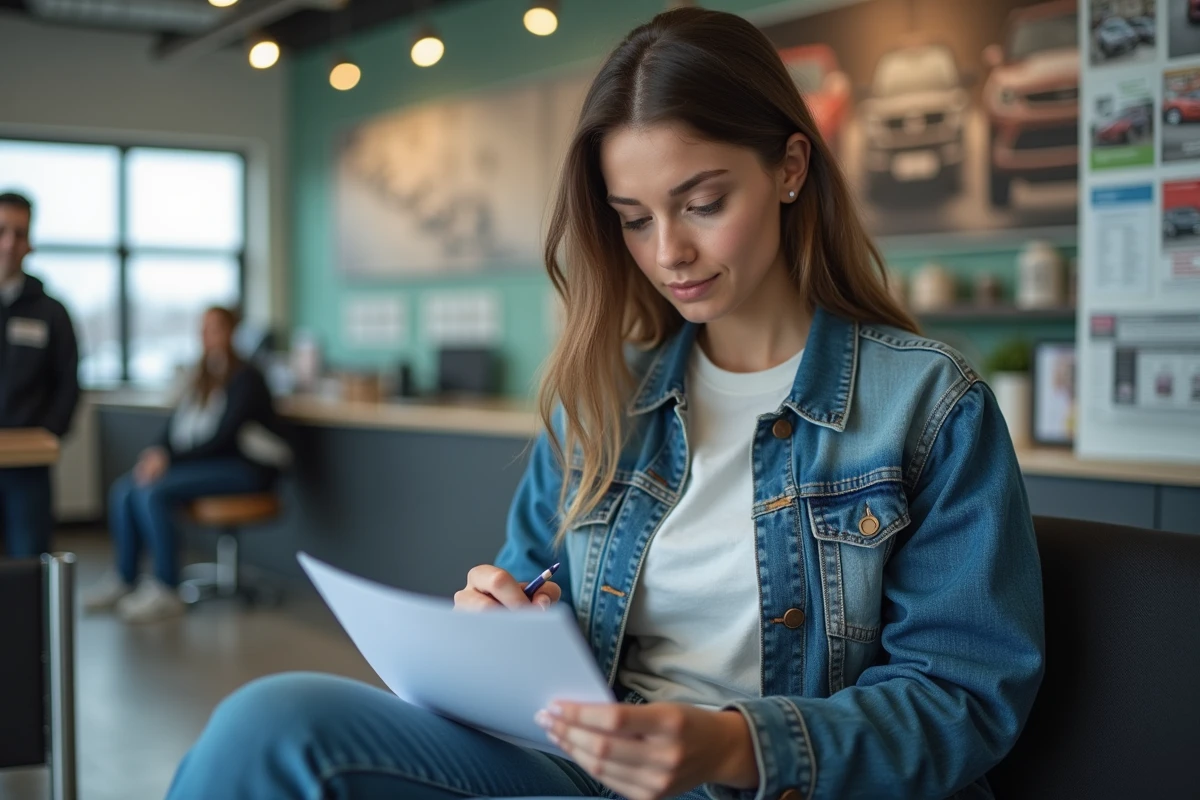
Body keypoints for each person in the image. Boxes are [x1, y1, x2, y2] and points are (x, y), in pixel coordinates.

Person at [167, 8, 1044, 800]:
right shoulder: (600, 400)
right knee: (270, 726)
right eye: (633, 218)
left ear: (789, 167)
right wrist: (499, 627)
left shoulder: (929, 403)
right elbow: (528, 594)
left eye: (703, 203)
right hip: (581, 770)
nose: (670, 253)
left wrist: (731, 746)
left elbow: (961, 702)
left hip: (775, 786)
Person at [83, 306, 289, 623]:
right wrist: (155, 453)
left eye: (215, 328)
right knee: (125, 489)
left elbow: (224, 438)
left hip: (244, 469)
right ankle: (125, 579)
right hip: (207, 464)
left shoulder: (247, 377)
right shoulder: (201, 377)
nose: (207, 336)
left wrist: (168, 460)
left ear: (231, 332)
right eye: (203, 329)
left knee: (154, 492)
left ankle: (167, 589)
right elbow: (175, 429)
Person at [0, 191, 80, 558]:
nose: (9, 243)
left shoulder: (51, 312)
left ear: (30, 242)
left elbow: (68, 380)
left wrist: (49, 432)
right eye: (2, 230)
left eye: (19, 233)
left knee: (28, 567)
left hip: (27, 463)